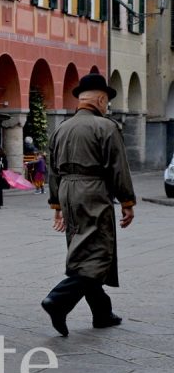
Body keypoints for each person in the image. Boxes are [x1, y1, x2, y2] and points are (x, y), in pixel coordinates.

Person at [40, 72, 135, 337]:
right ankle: (58, 300)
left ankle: (102, 312)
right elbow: (118, 167)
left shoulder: (61, 128)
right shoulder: (106, 127)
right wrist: (127, 201)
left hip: (67, 191)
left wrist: (57, 206)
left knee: (83, 249)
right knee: (98, 252)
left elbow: (53, 171)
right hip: (93, 190)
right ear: (101, 99)